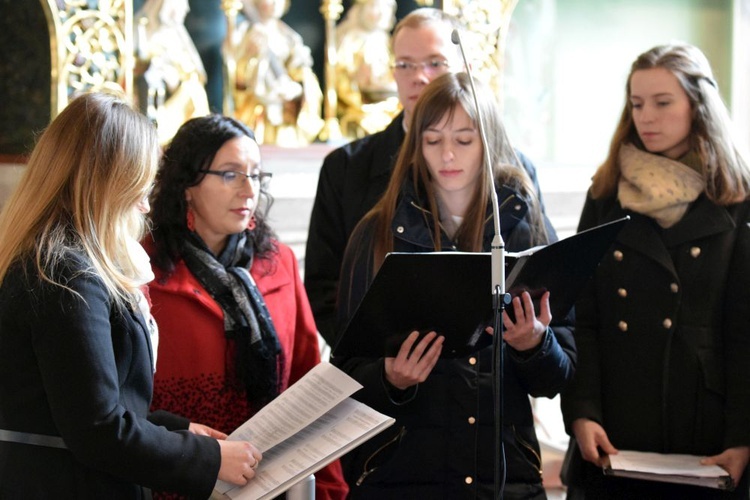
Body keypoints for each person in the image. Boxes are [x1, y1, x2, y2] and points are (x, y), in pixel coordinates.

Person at [0, 92, 261, 498]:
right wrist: (208, 458)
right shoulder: (67, 273)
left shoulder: (58, 259)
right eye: (140, 185)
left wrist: (178, 430)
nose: (144, 205)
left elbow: (83, 402)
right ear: (107, 183)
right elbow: (97, 429)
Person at [332, 72, 576, 498]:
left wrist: (534, 345)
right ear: (416, 146)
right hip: (401, 473)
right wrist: (392, 379)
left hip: (503, 476)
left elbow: (557, 377)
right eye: (432, 140)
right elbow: (344, 376)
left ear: (490, 142)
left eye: (464, 140)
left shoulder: (524, 225)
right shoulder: (376, 233)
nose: (447, 155)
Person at [560, 43, 750, 499]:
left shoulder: (736, 197)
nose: (646, 116)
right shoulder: (606, 193)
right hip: (615, 428)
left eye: (663, 103)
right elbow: (580, 315)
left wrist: (742, 436)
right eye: (637, 103)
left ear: (697, 105)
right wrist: (582, 411)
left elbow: (745, 329)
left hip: (705, 432)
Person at [305, 7, 545, 347]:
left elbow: (538, 282)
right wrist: (379, 360)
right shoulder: (345, 167)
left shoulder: (512, 168)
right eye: (405, 64)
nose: (419, 76)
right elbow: (325, 287)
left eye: (435, 63)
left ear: (464, 69)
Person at [145, 114, 349, 499]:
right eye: (230, 174)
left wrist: (328, 488)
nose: (247, 190)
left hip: (272, 481)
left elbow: (308, 384)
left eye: (255, 175)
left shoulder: (279, 263)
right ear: (186, 186)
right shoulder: (142, 270)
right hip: (176, 481)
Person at [231, 0, 324, 146]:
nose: (275, 3)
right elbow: (236, 75)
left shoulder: (290, 37)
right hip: (256, 115)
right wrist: (252, 57)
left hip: (285, 116)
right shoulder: (244, 33)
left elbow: (302, 70)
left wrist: (297, 88)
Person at [135, 0, 210, 145]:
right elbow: (146, 65)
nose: (186, 9)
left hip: (182, 90)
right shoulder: (150, 34)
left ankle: (199, 135)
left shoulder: (178, 35)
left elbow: (194, 70)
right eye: (181, 5)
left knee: (195, 91)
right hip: (162, 95)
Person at [335, 0, 399, 138]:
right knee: (364, 121)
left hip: (390, 101)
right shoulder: (349, 39)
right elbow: (339, 77)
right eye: (375, 7)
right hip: (360, 104)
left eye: (386, 7)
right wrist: (358, 81)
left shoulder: (388, 41)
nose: (381, 13)